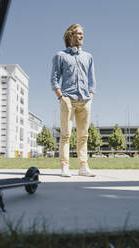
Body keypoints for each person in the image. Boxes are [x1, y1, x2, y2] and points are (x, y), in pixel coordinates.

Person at [51, 24, 97, 177]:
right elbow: (54, 78)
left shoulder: (88, 57)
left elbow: (92, 80)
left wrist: (91, 97)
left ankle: (83, 167)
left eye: (82, 33)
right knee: (65, 135)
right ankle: (65, 167)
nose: (81, 36)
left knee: (83, 136)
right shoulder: (60, 56)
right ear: (70, 35)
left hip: (85, 100)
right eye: (78, 33)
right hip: (67, 99)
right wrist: (61, 97)